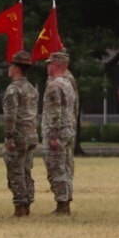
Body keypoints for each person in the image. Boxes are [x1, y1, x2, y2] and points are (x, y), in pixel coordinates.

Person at [0, 51, 40, 217]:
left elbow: (11, 115)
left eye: (11, 65)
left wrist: (9, 137)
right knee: (26, 171)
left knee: (16, 172)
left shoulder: (13, 90)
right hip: (31, 134)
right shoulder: (31, 88)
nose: (9, 69)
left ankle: (20, 207)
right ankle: (28, 203)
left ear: (16, 68)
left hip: (19, 136)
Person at [41, 51, 78, 215]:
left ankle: (62, 205)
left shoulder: (54, 85)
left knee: (56, 168)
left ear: (56, 65)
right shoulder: (68, 84)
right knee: (66, 167)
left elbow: (55, 112)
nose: (48, 67)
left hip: (57, 132)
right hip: (68, 130)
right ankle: (66, 200)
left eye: (50, 63)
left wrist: (54, 135)